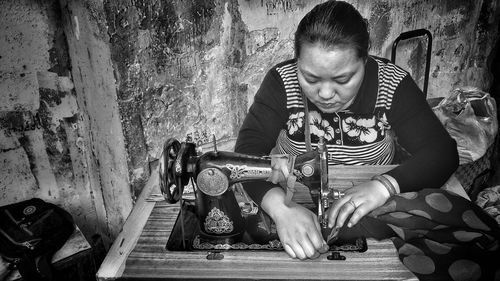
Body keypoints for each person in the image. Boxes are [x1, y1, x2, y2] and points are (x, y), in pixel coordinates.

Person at [234, 0, 459, 261]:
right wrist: (281, 208)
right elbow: (246, 155)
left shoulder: (391, 84)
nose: (326, 94)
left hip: (371, 200)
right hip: (296, 196)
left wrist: (384, 186)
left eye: (343, 79)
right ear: (297, 62)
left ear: (365, 60)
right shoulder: (281, 82)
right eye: (310, 78)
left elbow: (442, 153)